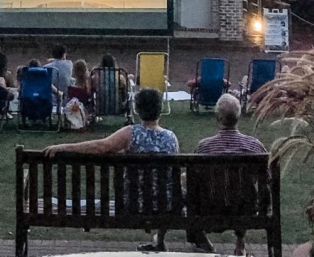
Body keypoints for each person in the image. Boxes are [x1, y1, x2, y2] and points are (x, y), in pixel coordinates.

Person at [44, 88, 209, 253]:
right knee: (168, 187)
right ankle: (162, 239)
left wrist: (64, 146)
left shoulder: (130, 134)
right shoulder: (171, 138)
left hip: (132, 204)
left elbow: (100, 146)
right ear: (159, 110)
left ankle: (159, 241)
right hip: (166, 205)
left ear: (137, 109)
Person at [194, 93, 268, 255]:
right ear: (238, 117)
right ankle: (240, 243)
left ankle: (202, 238)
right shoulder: (255, 146)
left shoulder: (204, 147)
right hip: (245, 209)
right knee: (244, 192)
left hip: (211, 208)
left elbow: (196, 180)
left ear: (218, 118)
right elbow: (265, 179)